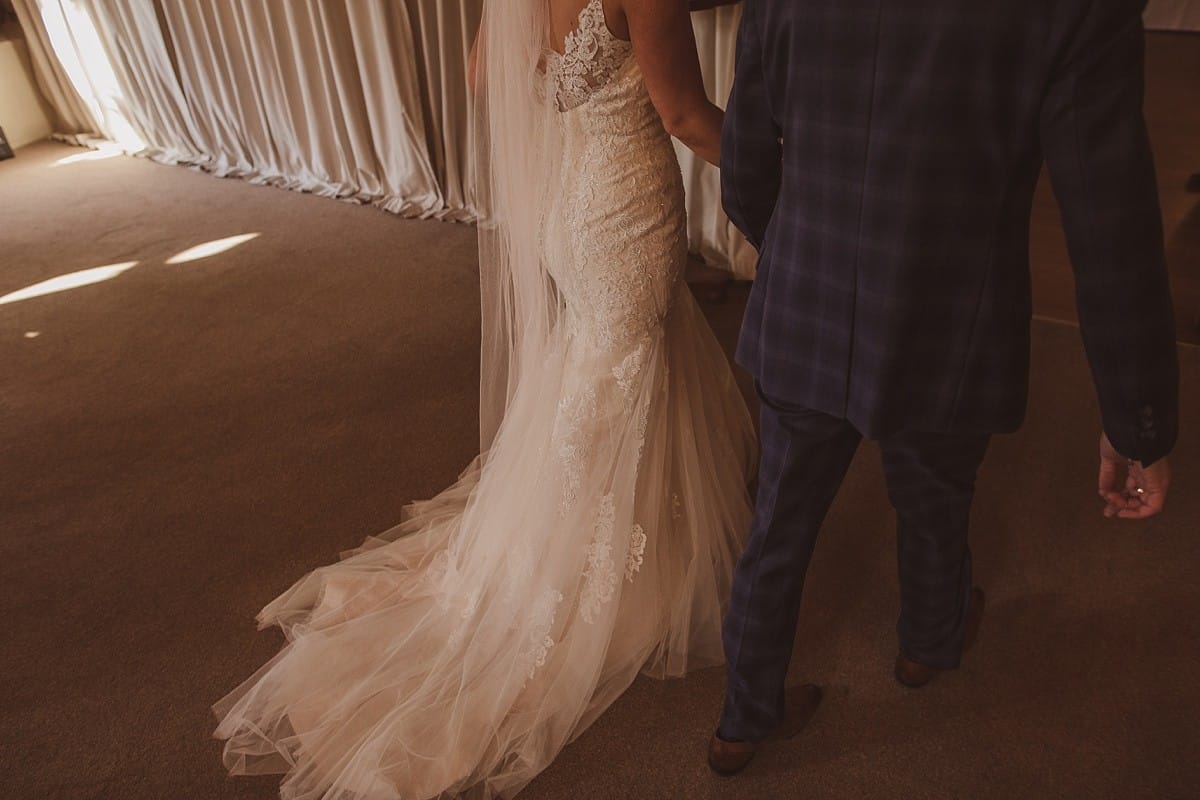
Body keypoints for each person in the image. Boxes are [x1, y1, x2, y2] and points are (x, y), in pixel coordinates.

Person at [214, 1, 757, 797]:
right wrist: (786, 166)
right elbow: (683, 115)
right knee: (617, 373)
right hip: (625, 205)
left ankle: (605, 531)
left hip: (572, 209)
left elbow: (481, 74)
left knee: (598, 374)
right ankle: (592, 559)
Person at [709, 0, 1179, 776]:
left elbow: (747, 156)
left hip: (806, 296)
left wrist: (797, 255)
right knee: (934, 494)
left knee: (779, 521)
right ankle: (927, 644)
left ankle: (741, 719)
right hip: (953, 314)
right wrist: (1139, 425)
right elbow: (1109, 222)